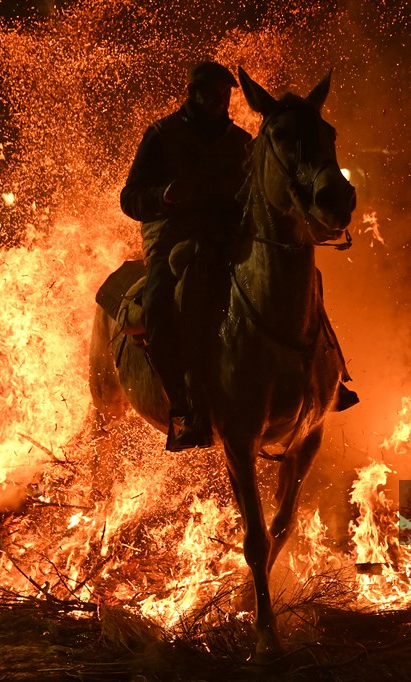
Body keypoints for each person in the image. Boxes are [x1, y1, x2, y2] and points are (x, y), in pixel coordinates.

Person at [120, 60, 251, 451]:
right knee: (159, 305)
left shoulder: (241, 142)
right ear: (195, 93)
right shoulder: (162, 135)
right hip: (171, 237)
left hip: (225, 237)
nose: (222, 101)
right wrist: (163, 197)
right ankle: (183, 410)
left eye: (226, 94)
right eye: (215, 94)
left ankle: (325, 375)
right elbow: (130, 197)